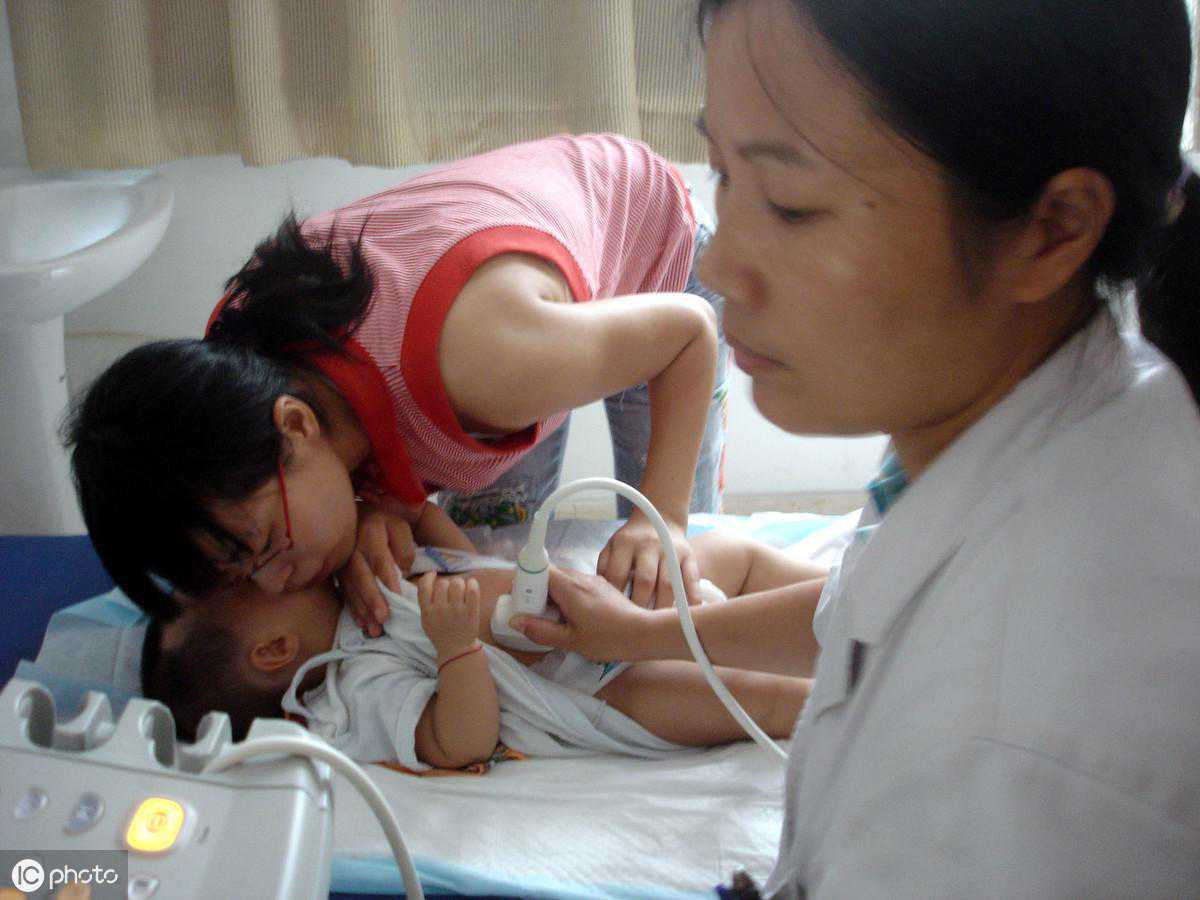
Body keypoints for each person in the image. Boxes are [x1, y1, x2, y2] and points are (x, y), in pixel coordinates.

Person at [507, 0, 1200, 895]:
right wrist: (644, 633)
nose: (719, 266)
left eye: (792, 206)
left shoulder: (992, 768)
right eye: (723, 174)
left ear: (1053, 229)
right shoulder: (1055, 416)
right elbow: (856, 603)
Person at [67, 133, 727, 629]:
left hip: (649, 256)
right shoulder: (236, 357)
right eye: (241, 574)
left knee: (667, 561)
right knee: (502, 539)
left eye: (265, 547)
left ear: (295, 424)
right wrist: (370, 502)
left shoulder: (486, 366)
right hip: (514, 295)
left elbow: (686, 334)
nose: (273, 583)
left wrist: (664, 519)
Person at [141, 531, 824, 770]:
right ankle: (864, 682)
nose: (265, 571)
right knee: (760, 698)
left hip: (612, 601)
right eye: (245, 583)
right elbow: (457, 741)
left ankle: (855, 592)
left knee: (733, 556)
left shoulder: (362, 580)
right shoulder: (350, 686)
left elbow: (460, 554)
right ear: (274, 650)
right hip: (600, 689)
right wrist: (455, 649)